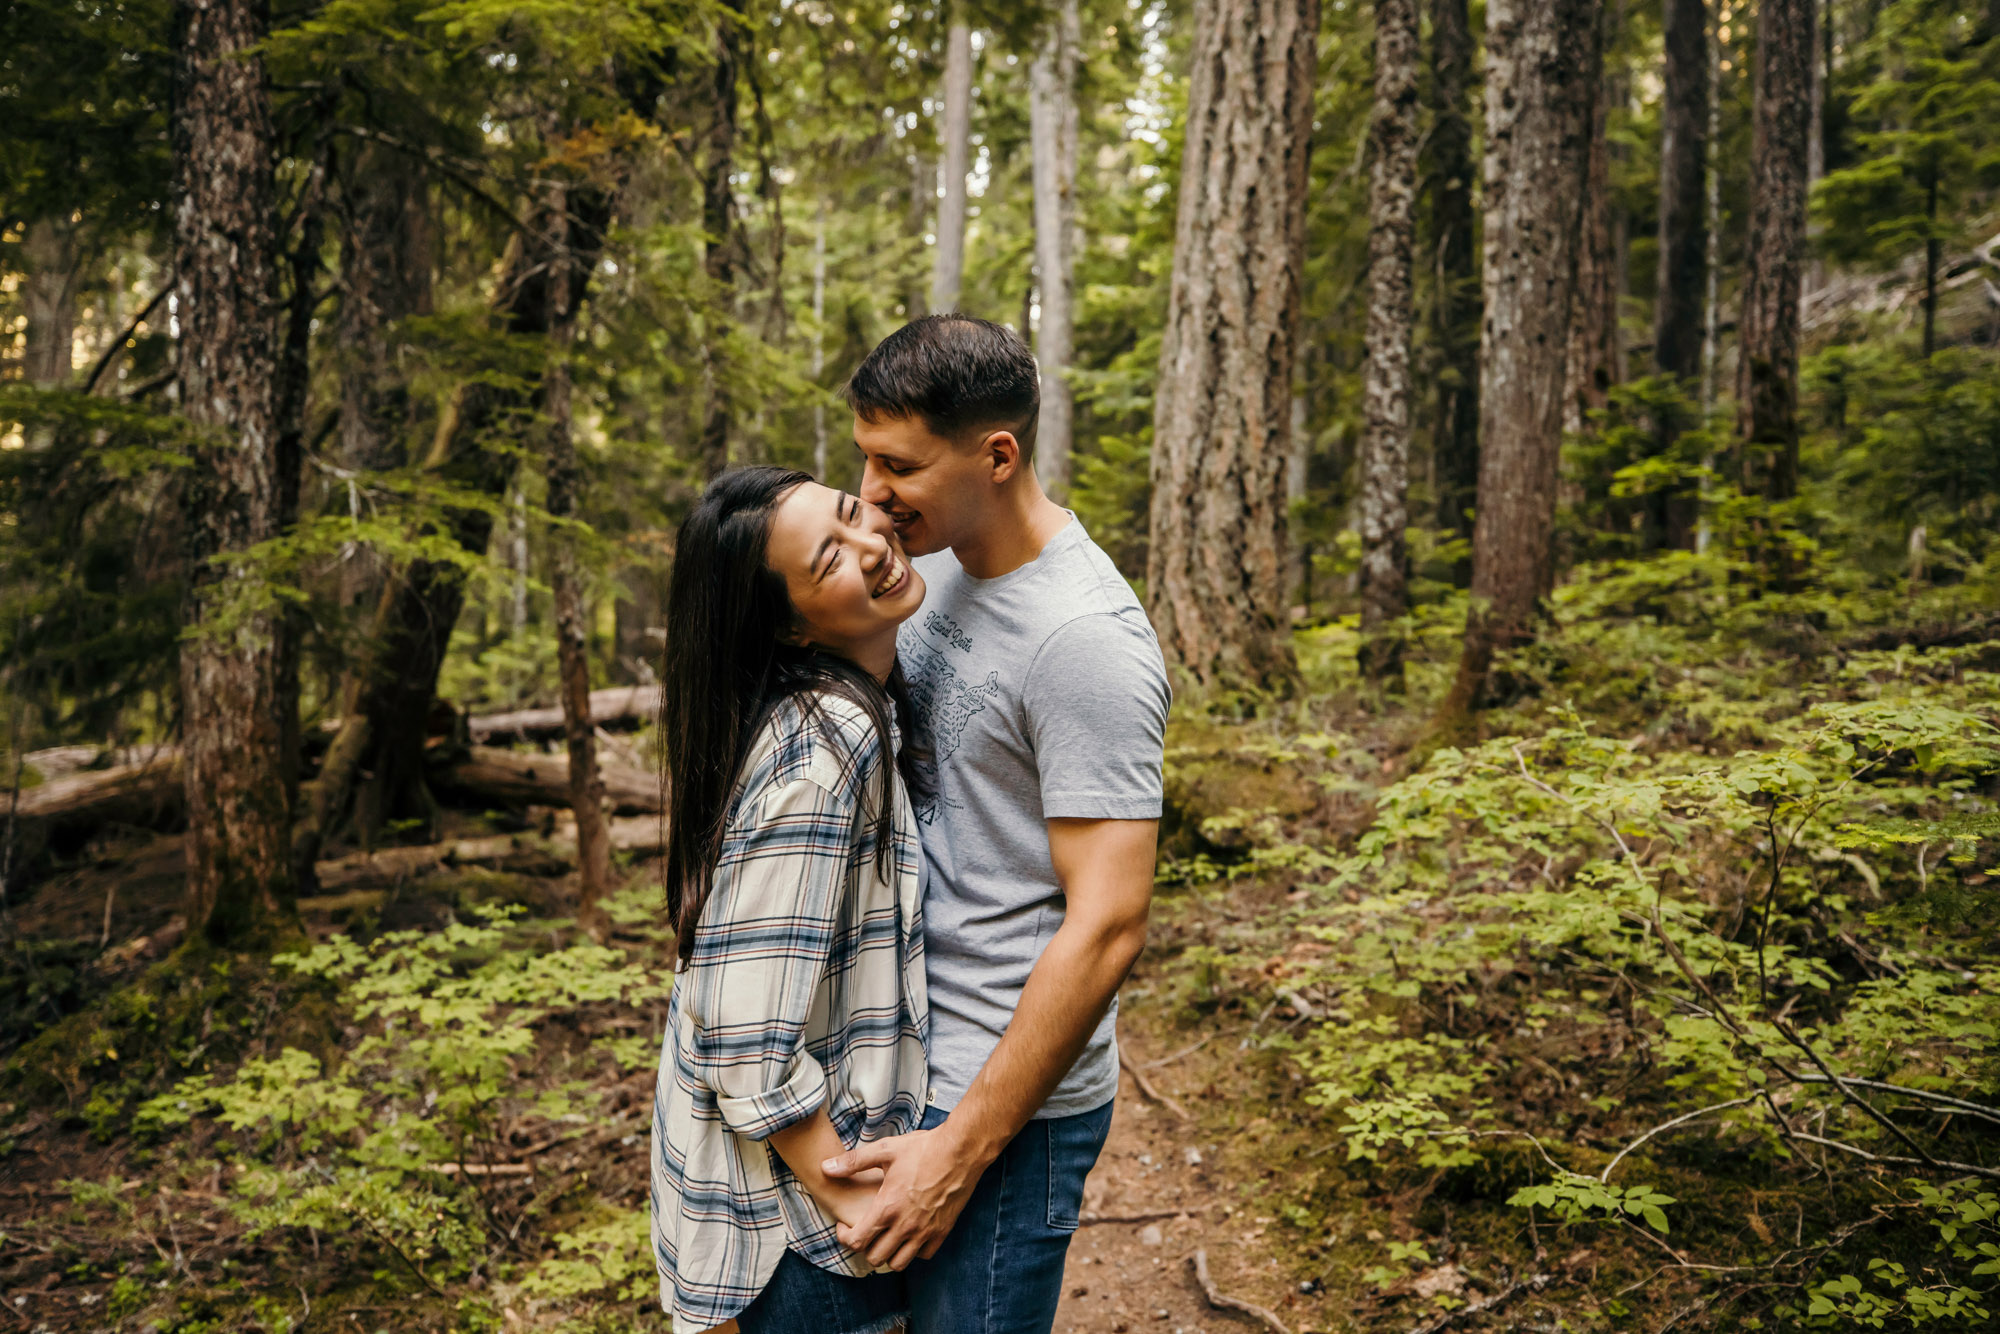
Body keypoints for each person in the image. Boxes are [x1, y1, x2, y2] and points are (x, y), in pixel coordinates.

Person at [823, 315, 1172, 1333]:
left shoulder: (1082, 639)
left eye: (898, 464)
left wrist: (960, 1146)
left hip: (1000, 1103)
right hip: (896, 1056)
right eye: (864, 459)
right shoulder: (930, 571)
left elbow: (1108, 921)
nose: (873, 492)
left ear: (998, 454)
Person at [649, 466, 933, 1334]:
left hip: (782, 1230)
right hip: (807, 1247)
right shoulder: (826, 749)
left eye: (854, 517)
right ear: (787, 622)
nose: (873, 546)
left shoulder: (836, 712)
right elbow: (742, 1041)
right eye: (830, 560)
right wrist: (862, 1215)